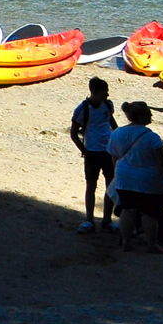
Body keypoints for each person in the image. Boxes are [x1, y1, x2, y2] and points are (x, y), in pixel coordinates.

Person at [108, 100, 163, 251]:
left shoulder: (117, 133)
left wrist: (119, 174)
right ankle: (151, 244)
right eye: (149, 113)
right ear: (141, 116)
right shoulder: (152, 137)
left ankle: (126, 242)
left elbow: (114, 156)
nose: (151, 115)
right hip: (149, 181)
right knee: (149, 214)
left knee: (127, 209)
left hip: (125, 178)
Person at [71, 77, 118, 235]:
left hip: (108, 151)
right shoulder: (82, 109)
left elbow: (111, 122)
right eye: (105, 92)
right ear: (95, 92)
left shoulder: (108, 105)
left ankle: (107, 220)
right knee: (91, 186)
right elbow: (73, 133)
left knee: (110, 186)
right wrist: (84, 150)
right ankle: (89, 219)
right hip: (92, 152)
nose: (107, 94)